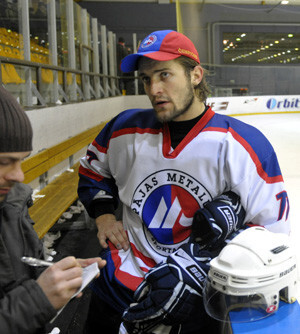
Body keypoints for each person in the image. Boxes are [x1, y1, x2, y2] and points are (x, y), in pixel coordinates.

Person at [78, 30, 290, 333]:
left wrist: (200, 270)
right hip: (119, 284)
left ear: (196, 75)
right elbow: (92, 172)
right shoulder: (121, 129)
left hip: (199, 298)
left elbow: (272, 235)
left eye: (165, 75)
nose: (154, 89)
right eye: (146, 79)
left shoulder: (243, 145)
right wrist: (104, 216)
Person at [0, 86, 106, 333]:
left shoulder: (12, 204)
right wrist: (38, 299)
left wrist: (55, 274)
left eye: (21, 160)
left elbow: (20, 271)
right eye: (4, 162)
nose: (19, 175)